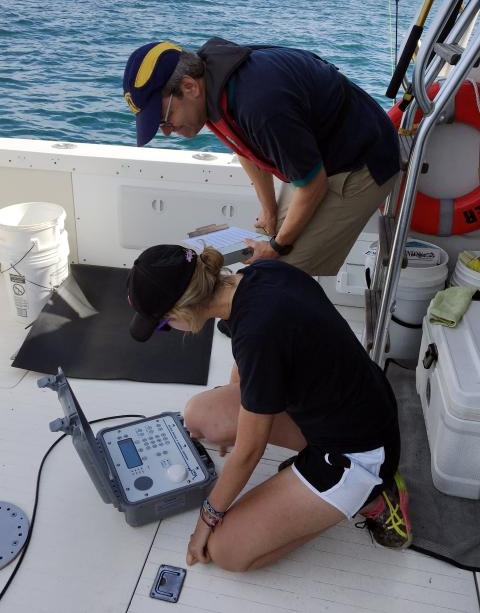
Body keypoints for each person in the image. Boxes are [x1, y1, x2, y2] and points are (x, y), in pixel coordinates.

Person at [127, 244, 412, 572]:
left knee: (226, 550)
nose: (168, 331)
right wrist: (234, 421)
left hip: (357, 453)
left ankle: (372, 499)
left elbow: (249, 453)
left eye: (162, 326)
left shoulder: (260, 333)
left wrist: (206, 519)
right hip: (355, 406)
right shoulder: (256, 275)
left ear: (182, 312)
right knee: (202, 417)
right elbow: (246, 363)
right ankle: (310, 481)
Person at [123, 38, 400, 277]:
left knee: (283, 266)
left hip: (363, 161)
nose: (168, 132)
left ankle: (286, 326)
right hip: (315, 152)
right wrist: (268, 210)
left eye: (165, 118)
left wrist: (277, 247)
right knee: (273, 236)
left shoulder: (259, 104)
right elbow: (244, 148)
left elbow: (313, 186)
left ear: (189, 87)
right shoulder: (209, 86)